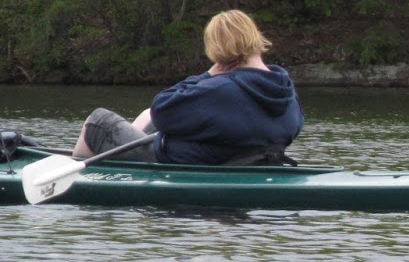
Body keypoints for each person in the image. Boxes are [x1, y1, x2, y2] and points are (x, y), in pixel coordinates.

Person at [74, 10, 305, 165]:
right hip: (240, 157)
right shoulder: (285, 90)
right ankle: (109, 157)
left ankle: (84, 174)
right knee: (147, 116)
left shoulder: (221, 89)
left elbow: (162, 109)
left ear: (221, 50)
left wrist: (207, 75)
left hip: (189, 162)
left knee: (98, 121)